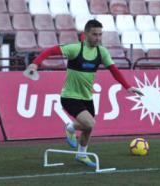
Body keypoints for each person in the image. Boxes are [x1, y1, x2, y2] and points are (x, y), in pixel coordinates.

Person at [24, 20, 142, 167]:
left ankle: (82, 155)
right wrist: (35, 63)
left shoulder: (102, 52)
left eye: (100, 34)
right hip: (69, 96)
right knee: (90, 122)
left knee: (88, 128)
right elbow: (51, 51)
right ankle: (70, 128)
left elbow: (114, 70)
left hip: (87, 97)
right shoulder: (75, 49)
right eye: (94, 34)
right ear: (86, 34)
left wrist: (128, 87)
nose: (98, 38)